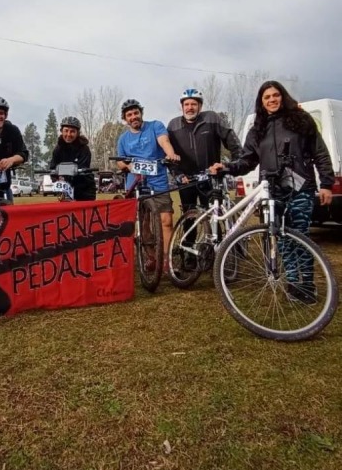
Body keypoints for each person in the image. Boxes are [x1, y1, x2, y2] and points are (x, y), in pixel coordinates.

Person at [210, 80, 334, 303]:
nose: (272, 100)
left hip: (300, 188)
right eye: (266, 97)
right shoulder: (258, 129)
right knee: (282, 238)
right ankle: (293, 284)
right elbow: (247, 161)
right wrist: (226, 167)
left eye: (275, 95)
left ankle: (307, 285)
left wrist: (326, 183)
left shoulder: (301, 120)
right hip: (272, 191)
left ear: (282, 96)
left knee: (300, 235)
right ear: (261, 102)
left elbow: (320, 153)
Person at [116, 98, 180, 274]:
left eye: (136, 113)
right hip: (136, 183)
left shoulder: (155, 126)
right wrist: (127, 166)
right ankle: (151, 256)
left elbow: (164, 141)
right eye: (129, 114)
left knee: (166, 220)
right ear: (125, 118)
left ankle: (167, 260)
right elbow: (120, 161)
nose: (133, 116)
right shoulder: (123, 138)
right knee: (143, 224)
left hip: (157, 180)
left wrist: (170, 154)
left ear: (141, 113)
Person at [168, 88, 241, 212]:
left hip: (210, 177)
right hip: (187, 180)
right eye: (186, 104)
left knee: (214, 217)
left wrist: (236, 161)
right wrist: (177, 174)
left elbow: (231, 139)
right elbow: (169, 154)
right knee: (189, 218)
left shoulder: (211, 118)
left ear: (200, 106)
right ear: (182, 107)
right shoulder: (173, 125)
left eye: (193, 104)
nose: (190, 107)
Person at [49, 116, 96, 201]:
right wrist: (56, 177)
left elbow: (82, 168)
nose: (68, 134)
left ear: (77, 133)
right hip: (66, 189)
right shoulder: (58, 149)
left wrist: (61, 170)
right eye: (66, 131)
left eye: (72, 131)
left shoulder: (84, 149)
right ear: (61, 131)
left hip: (85, 190)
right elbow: (53, 168)